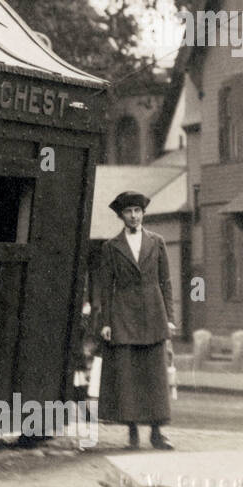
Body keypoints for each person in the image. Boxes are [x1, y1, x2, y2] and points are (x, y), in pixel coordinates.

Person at [92, 191, 176, 450]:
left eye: (138, 211)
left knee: (155, 375)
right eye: (128, 211)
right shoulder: (111, 247)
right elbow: (105, 287)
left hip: (153, 313)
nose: (134, 216)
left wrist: (170, 318)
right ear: (121, 216)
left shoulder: (157, 242)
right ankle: (132, 434)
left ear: (143, 214)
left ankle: (156, 433)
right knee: (127, 375)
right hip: (124, 315)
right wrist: (106, 322)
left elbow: (166, 282)